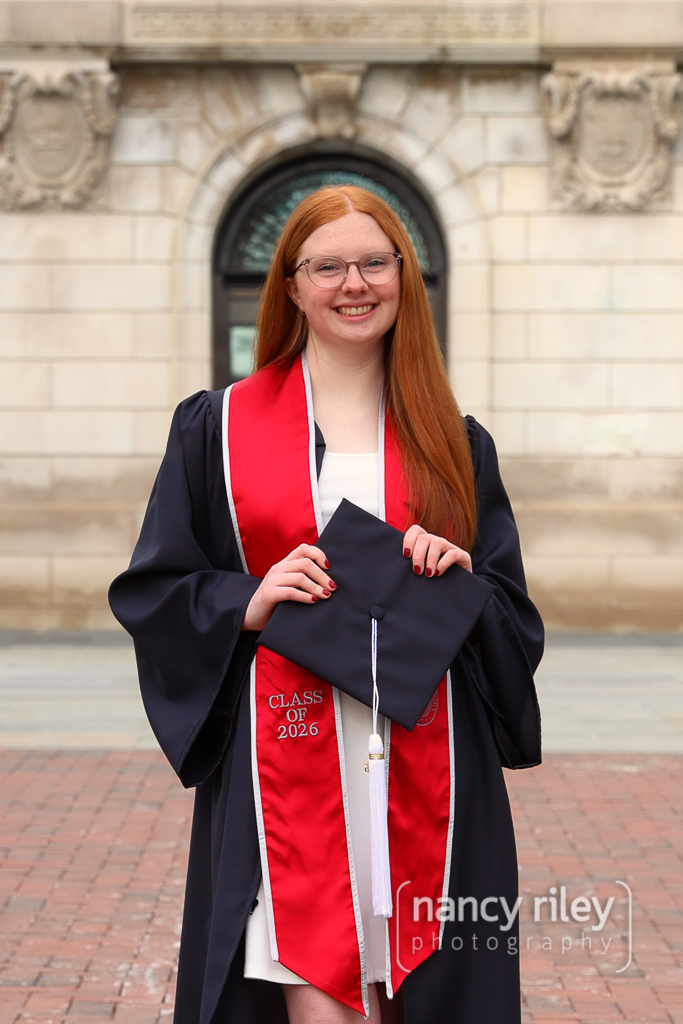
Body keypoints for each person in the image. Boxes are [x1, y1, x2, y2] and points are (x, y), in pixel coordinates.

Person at [109, 184, 543, 1024]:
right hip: (287, 761)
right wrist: (249, 598)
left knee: (411, 990)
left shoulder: (454, 441)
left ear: (403, 277)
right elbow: (155, 588)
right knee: (313, 989)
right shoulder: (217, 429)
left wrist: (459, 580)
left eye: (374, 262)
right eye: (328, 267)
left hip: (426, 764)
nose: (354, 284)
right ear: (292, 285)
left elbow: (510, 618)